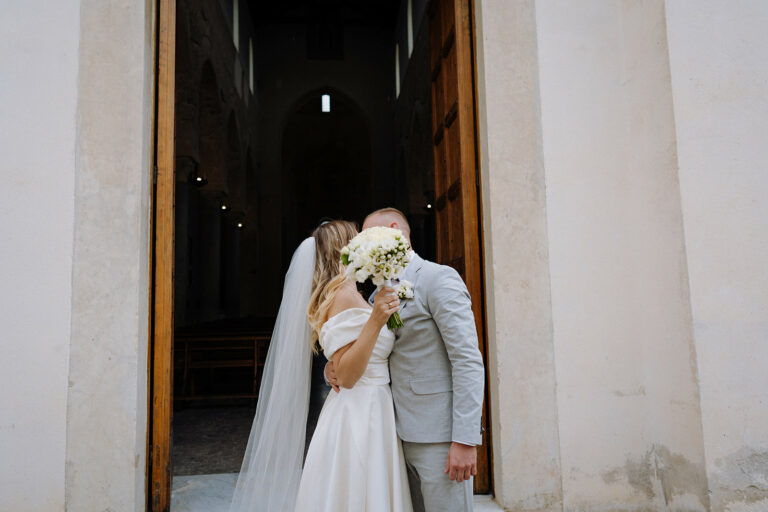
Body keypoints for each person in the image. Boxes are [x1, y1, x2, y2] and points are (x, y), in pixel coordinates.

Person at [229, 220, 413, 512]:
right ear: (345, 250)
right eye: (357, 240)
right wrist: (377, 320)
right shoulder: (343, 296)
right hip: (361, 412)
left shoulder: (349, 293)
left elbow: (342, 360)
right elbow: (350, 376)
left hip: (369, 407)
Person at [326, 208, 485, 512]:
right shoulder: (373, 298)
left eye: (367, 235)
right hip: (391, 436)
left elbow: (467, 360)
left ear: (394, 230)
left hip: (438, 437)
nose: (361, 242)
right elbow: (369, 354)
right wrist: (332, 369)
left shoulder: (437, 278)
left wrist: (465, 440)